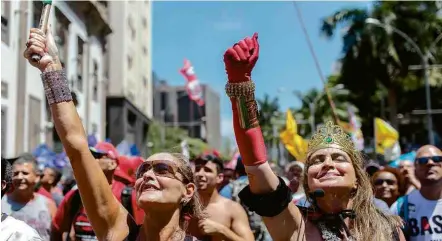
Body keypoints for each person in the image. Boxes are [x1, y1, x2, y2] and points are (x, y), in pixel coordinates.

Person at [24, 27, 203, 241]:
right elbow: (77, 148)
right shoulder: (119, 232)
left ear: (188, 191)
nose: (147, 175)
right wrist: (51, 67)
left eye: (162, 169)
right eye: (143, 170)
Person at [222, 33, 405, 240]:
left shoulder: (388, 226)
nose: (327, 163)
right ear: (307, 182)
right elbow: (256, 164)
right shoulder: (294, 224)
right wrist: (240, 85)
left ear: (357, 179)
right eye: (317, 161)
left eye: (338, 158)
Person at [189, 154, 254, 241]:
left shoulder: (233, 209)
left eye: (207, 170)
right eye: (197, 170)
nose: (200, 174)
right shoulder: (184, 206)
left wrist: (222, 230)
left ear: (219, 178)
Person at [391, 145, 442, 241]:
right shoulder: (400, 207)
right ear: (415, 169)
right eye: (423, 161)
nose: (430, 163)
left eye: (437, 159)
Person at [2, 154, 57, 240]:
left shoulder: (48, 204)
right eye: (15, 174)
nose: (20, 177)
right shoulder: (2, 203)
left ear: (37, 177)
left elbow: (57, 234)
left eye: (25, 173)